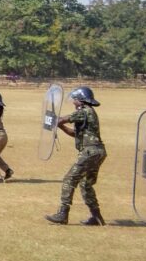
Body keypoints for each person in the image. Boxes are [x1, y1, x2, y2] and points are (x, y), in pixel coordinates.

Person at [45, 87, 107, 226]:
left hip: (90, 152)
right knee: (86, 184)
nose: (73, 102)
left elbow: (64, 119)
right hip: (97, 152)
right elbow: (74, 133)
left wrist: (53, 119)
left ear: (81, 100)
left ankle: (62, 214)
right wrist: (59, 125)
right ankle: (97, 217)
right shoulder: (88, 113)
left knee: (69, 179)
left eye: (75, 99)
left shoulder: (84, 111)